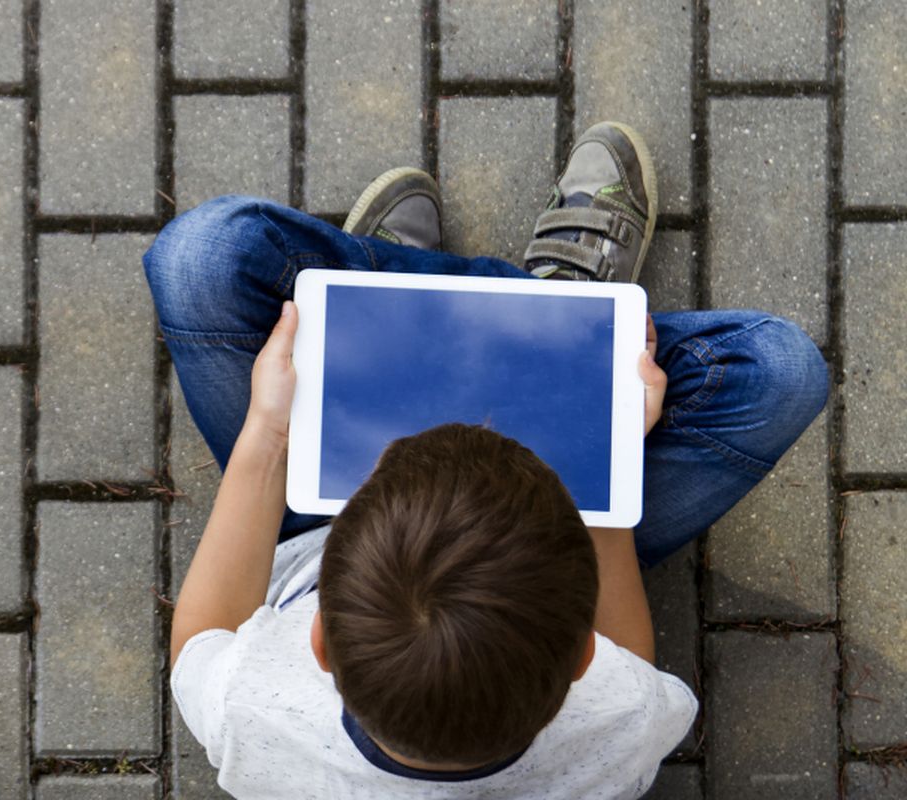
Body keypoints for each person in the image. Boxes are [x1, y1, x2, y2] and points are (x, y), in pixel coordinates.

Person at [143, 122, 828, 798]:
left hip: (306, 524)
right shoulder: (624, 721)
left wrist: (269, 428)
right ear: (585, 658)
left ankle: (398, 301)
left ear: (319, 643)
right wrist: (599, 452)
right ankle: (538, 301)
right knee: (780, 370)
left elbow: (203, 634)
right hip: (553, 547)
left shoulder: (246, 711)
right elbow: (631, 652)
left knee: (199, 257)